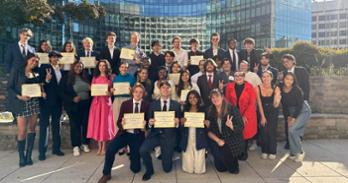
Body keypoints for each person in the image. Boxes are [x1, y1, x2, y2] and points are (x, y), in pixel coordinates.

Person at [97, 85, 149, 183]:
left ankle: (133, 157)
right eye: (136, 91)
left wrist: (145, 126)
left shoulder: (146, 105)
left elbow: (149, 122)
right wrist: (122, 124)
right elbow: (119, 121)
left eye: (140, 92)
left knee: (135, 169)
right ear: (132, 93)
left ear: (143, 94)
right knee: (111, 148)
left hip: (137, 135)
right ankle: (106, 173)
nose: (138, 94)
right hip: (124, 134)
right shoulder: (125, 104)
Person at [7, 53, 45, 167]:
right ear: (27, 60)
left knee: (32, 129)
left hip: (34, 103)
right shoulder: (17, 71)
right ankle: (21, 157)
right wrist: (19, 97)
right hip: (21, 103)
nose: (34, 62)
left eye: (36, 61)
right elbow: (9, 87)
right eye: (33, 60)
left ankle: (28, 156)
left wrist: (42, 92)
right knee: (22, 131)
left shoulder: (36, 73)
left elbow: (39, 87)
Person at [139, 81, 181, 181]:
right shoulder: (153, 105)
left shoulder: (176, 105)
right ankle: (149, 170)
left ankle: (168, 155)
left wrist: (177, 122)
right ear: (160, 90)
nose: (165, 89)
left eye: (167, 88)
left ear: (170, 90)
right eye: (163, 88)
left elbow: (180, 124)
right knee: (143, 150)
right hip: (156, 134)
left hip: (169, 137)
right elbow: (149, 123)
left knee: (167, 169)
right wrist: (150, 123)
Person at [207, 89, 244, 174]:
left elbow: (241, 126)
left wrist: (231, 126)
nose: (215, 99)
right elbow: (208, 131)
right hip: (217, 139)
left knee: (233, 170)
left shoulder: (232, 108)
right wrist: (218, 140)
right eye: (213, 97)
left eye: (217, 96)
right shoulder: (210, 110)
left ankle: (233, 162)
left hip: (231, 138)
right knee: (221, 168)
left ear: (222, 97)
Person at [38, 51, 65, 161]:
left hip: (58, 102)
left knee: (56, 125)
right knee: (44, 126)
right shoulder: (45, 68)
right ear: (49, 58)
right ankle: (42, 152)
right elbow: (39, 82)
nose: (55, 59)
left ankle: (56, 148)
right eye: (53, 57)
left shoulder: (61, 70)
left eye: (57, 58)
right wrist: (46, 80)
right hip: (46, 102)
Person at [225, 71, 257, 160]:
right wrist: (231, 114)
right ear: (234, 77)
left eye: (241, 76)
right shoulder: (229, 86)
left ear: (244, 77)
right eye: (236, 76)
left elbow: (252, 103)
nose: (238, 77)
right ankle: (237, 152)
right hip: (234, 113)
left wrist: (245, 116)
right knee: (235, 133)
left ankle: (244, 152)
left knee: (245, 134)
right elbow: (227, 101)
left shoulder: (250, 87)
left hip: (246, 114)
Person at [61, 61, 91, 157]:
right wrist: (72, 99)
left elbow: (93, 90)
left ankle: (85, 143)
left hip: (86, 104)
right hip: (73, 106)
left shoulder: (87, 77)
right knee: (75, 125)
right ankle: (75, 146)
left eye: (81, 66)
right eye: (77, 66)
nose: (79, 68)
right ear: (73, 67)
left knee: (85, 124)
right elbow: (61, 92)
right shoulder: (66, 78)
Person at [87, 60, 116, 155]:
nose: (102, 67)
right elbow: (92, 90)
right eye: (100, 65)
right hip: (96, 103)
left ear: (107, 67)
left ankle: (104, 147)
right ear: (98, 67)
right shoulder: (95, 77)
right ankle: (99, 146)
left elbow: (112, 91)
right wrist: (91, 89)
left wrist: (110, 92)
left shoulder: (110, 77)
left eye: (104, 66)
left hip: (106, 103)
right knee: (97, 124)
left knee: (104, 124)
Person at [281, 72, 311, 162]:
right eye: (287, 79)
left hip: (303, 110)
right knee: (290, 130)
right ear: (284, 79)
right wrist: (288, 117)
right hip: (291, 111)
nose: (289, 81)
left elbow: (300, 105)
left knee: (293, 130)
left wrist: (293, 117)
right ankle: (293, 153)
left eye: (291, 79)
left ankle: (301, 152)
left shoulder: (296, 89)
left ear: (293, 81)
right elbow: (284, 106)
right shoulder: (281, 89)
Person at [281, 54, 310, 149]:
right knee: (288, 121)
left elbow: (306, 86)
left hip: (299, 102)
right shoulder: (284, 73)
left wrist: (305, 100)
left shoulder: (301, 70)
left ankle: (298, 142)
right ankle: (289, 142)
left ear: (293, 61)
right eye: (284, 62)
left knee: (298, 123)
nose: (286, 63)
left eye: (288, 61)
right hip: (288, 103)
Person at [180, 90, 207, 174]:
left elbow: (207, 125)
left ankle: (198, 167)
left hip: (200, 135)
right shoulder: (185, 109)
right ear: (187, 99)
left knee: (199, 170)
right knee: (189, 168)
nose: (193, 99)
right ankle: (188, 167)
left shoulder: (203, 109)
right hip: (187, 134)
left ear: (198, 98)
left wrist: (207, 123)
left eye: (195, 97)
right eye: (190, 98)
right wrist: (182, 122)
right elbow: (180, 126)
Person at [257, 71, 281, 160]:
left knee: (271, 130)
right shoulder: (258, 88)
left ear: (271, 78)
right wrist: (262, 117)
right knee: (263, 130)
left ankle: (272, 151)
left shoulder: (276, 88)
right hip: (262, 110)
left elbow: (275, 104)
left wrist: (277, 99)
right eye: (263, 77)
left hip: (273, 111)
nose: (265, 78)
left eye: (268, 76)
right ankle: (264, 150)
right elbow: (259, 103)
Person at [112, 62, 136, 130]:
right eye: (122, 67)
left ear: (128, 69)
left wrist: (132, 90)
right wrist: (112, 90)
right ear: (119, 68)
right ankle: (116, 134)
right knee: (116, 118)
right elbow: (113, 90)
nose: (124, 69)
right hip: (117, 100)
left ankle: (128, 133)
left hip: (128, 99)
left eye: (126, 67)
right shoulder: (115, 78)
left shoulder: (132, 78)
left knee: (128, 118)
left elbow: (135, 90)